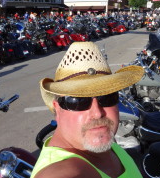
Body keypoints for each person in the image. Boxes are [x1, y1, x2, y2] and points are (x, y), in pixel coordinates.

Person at [31, 42, 144, 178]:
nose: (97, 113)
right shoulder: (61, 170)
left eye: (107, 97)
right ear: (57, 109)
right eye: (78, 101)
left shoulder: (109, 146)